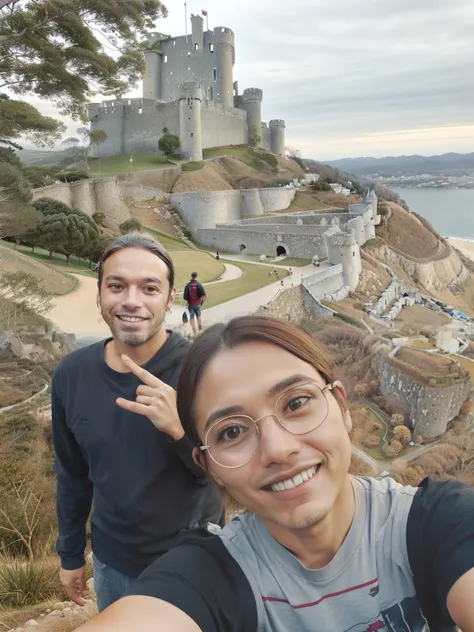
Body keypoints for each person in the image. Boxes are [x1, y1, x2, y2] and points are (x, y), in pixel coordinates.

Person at [78, 316, 474, 632]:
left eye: (297, 402)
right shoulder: (210, 577)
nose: (278, 449)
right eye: (231, 432)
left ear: (342, 406)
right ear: (208, 465)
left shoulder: (436, 523)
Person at [52, 233, 222, 613]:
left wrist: (179, 431)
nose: (131, 301)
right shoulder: (71, 373)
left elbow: (229, 475)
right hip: (112, 564)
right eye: (116, 286)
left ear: (170, 296)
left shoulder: (202, 369)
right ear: (100, 295)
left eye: (149, 288)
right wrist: (71, 554)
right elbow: (71, 473)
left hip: (193, 563)